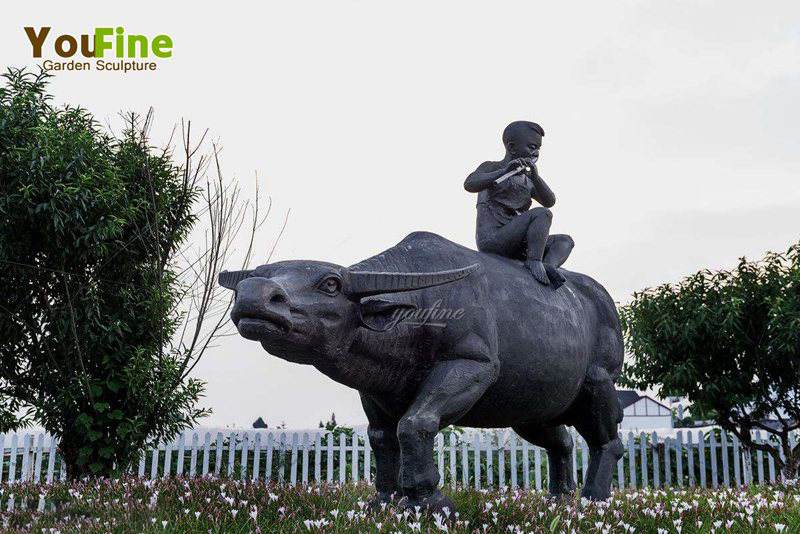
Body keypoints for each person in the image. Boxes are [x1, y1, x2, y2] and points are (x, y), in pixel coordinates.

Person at [464, 120, 573, 286]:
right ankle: (534, 261)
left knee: (565, 242)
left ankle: (548, 266)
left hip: (519, 244)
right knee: (542, 213)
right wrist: (504, 171)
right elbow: (470, 184)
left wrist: (535, 178)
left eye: (538, 148)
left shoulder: (528, 180)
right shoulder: (491, 167)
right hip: (494, 239)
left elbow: (550, 200)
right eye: (531, 146)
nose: (535, 152)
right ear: (512, 147)